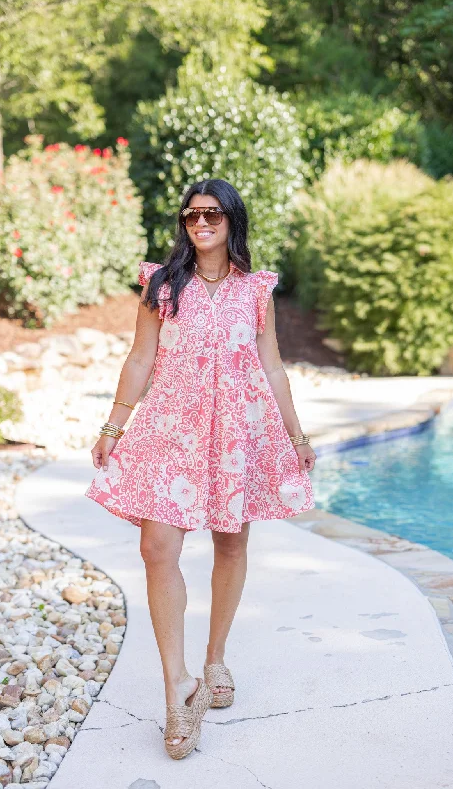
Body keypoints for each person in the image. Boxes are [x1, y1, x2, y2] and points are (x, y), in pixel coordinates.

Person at [85, 178, 316, 760]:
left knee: (231, 546)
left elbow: (273, 367)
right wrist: (114, 425)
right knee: (157, 549)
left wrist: (295, 435)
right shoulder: (161, 285)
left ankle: (215, 660)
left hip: (238, 432)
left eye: (212, 214)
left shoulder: (255, 291)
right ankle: (177, 685)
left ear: (232, 220)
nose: (200, 223)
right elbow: (140, 357)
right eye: (191, 215)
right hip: (171, 431)